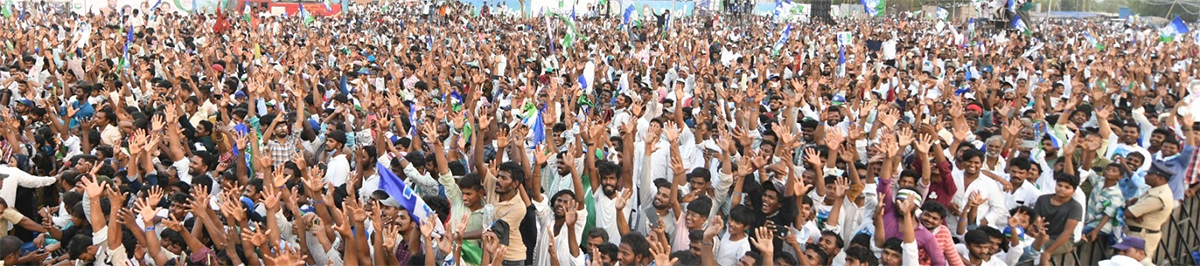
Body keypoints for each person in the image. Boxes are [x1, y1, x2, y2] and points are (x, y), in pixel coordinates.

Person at [1124, 162, 1176, 257]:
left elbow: (1128, 213)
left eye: (1150, 174)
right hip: (1138, 233)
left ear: (1160, 179)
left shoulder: (1158, 196)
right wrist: (1131, 206)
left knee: (1136, 262)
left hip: (1142, 235)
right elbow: (1131, 203)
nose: (1146, 176)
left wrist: (1131, 209)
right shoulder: (1155, 189)